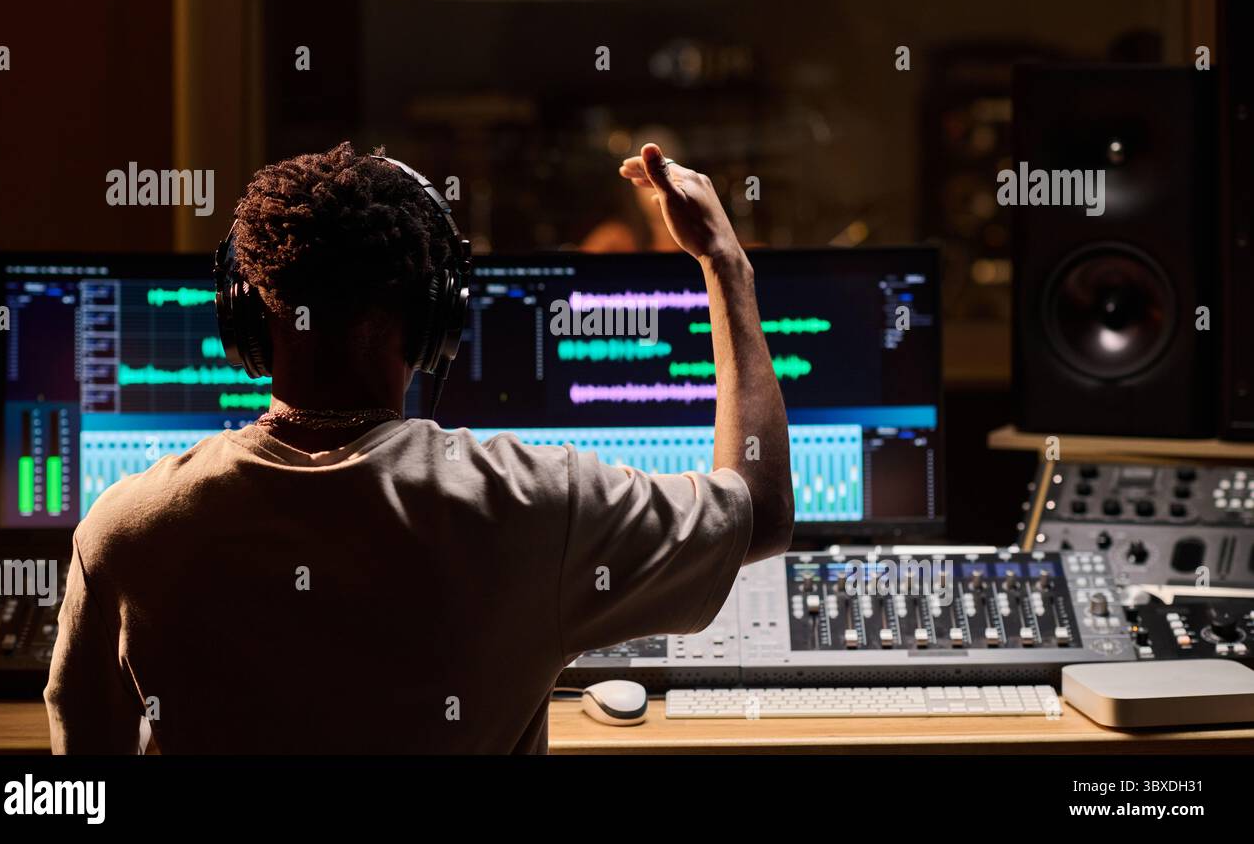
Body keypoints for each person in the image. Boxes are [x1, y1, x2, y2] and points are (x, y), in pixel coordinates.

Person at [44, 141, 792, 753]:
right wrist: (726, 263)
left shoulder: (124, 529)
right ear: (434, 320)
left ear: (244, 318)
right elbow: (759, 510)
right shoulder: (538, 506)